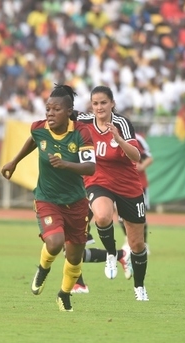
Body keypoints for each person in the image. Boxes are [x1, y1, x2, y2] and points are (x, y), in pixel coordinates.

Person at [1, 84, 95, 312]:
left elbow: (90, 168)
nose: (50, 113)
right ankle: (43, 268)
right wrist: (14, 161)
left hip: (76, 201)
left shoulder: (81, 133)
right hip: (47, 198)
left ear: (69, 111)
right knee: (54, 242)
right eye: (48, 109)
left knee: (74, 256)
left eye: (56, 109)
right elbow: (33, 139)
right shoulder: (39, 128)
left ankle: (63, 295)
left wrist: (65, 164)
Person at [77, 85, 150, 301]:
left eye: (103, 103)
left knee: (137, 243)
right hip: (98, 181)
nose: (99, 107)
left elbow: (136, 157)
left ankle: (139, 286)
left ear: (112, 104)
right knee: (101, 216)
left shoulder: (121, 123)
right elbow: (63, 112)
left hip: (127, 186)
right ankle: (110, 254)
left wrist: (118, 139)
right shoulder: (84, 121)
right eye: (95, 103)